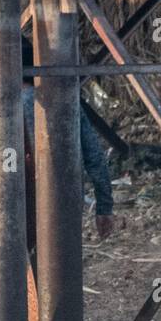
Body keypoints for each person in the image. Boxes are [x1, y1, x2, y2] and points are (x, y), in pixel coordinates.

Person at [22, 36, 116, 239]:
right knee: (63, 265)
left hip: (19, 204)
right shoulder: (66, 101)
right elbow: (95, 156)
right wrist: (104, 208)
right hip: (67, 200)